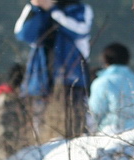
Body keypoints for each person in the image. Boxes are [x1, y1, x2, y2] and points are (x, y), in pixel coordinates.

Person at [14, 0, 93, 141]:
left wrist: (54, 11)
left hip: (72, 78)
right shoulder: (33, 8)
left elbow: (80, 30)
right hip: (40, 79)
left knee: (75, 126)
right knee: (40, 129)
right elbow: (23, 34)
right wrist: (37, 9)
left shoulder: (79, 8)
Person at [87, 42, 134, 134]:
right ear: (127, 59)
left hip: (112, 134)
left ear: (105, 60)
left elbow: (95, 113)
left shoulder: (102, 82)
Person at [0, 63, 28, 160]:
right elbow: (0, 124)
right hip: (3, 141)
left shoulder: (2, 96)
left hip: (0, 139)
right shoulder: (6, 99)